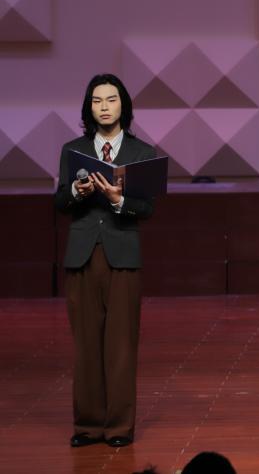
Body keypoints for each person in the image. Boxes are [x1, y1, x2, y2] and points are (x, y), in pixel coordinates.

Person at [55, 74, 157, 448]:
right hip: (82, 254)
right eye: (97, 101)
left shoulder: (142, 152)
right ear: (89, 108)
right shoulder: (73, 149)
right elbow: (60, 202)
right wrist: (76, 191)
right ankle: (87, 426)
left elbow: (146, 208)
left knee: (120, 345)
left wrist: (118, 200)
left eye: (111, 100)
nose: (104, 107)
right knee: (86, 345)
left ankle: (118, 428)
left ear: (123, 105)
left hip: (122, 255)